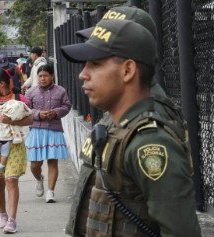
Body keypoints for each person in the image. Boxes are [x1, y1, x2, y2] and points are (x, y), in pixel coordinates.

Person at [61, 17, 201, 237]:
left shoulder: (150, 141)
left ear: (127, 71)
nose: (83, 74)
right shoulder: (121, 127)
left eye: (95, 64)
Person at [0, 68, 33, 234]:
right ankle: (2, 214)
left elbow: (30, 119)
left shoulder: (20, 99)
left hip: (14, 145)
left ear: (2, 84)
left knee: (11, 180)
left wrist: (11, 121)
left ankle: (12, 219)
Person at [25, 64, 71, 203]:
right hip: (36, 131)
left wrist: (56, 112)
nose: (42, 79)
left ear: (52, 76)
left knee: (52, 162)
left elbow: (67, 106)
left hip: (54, 130)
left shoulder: (61, 91)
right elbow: (26, 109)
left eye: (45, 76)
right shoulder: (31, 92)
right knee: (34, 164)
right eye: (40, 76)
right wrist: (38, 114)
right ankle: (39, 179)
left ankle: (50, 191)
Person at [0, 99, 31, 172]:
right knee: (4, 154)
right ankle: (2, 165)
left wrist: (11, 121)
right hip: (5, 139)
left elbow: (30, 120)